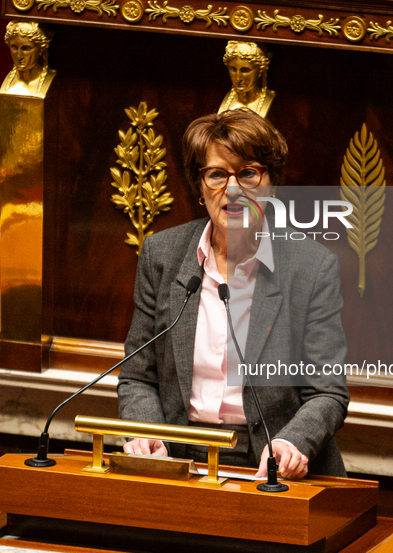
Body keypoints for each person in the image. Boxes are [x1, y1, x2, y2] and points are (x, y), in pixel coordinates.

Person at [117, 109, 349, 480]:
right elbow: (138, 377)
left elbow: (328, 392)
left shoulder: (311, 268)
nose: (233, 189)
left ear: (270, 183)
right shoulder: (162, 255)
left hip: (271, 467)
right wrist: (146, 434)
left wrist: (293, 442)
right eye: (216, 174)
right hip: (176, 455)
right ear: (200, 186)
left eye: (248, 173)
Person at [218, 41, 275, 119]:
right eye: (233, 69)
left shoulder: (271, 101)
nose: (238, 78)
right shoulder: (218, 98)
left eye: (245, 70)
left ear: (260, 70)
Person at [2, 21, 54, 96]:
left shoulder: (51, 80)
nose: (19, 56)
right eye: (14, 48)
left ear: (41, 50)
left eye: (26, 48)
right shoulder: (7, 83)